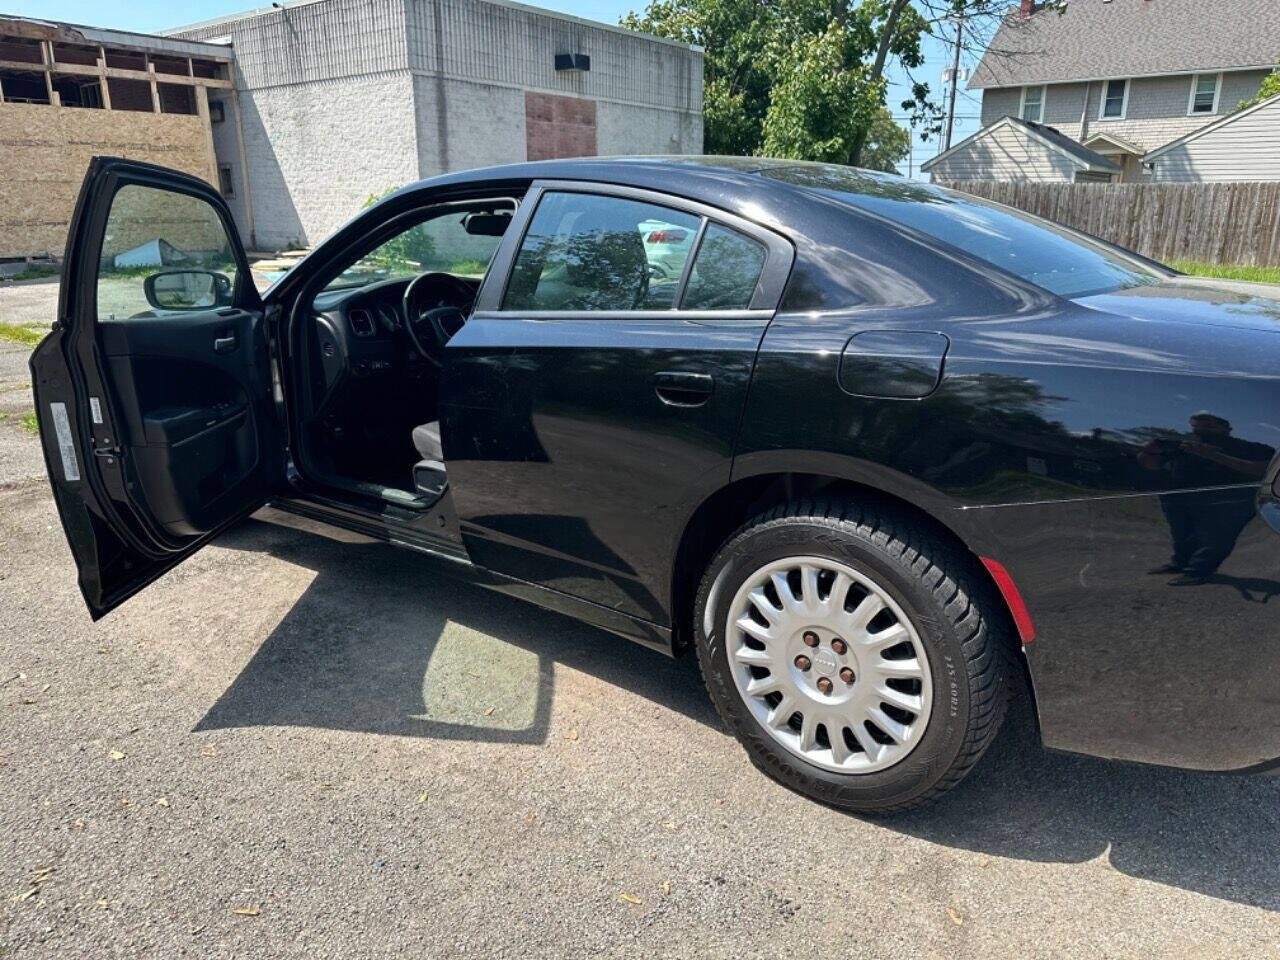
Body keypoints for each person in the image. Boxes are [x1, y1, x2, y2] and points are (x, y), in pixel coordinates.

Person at [1138, 412, 1273, 585]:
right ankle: (1180, 563)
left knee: (1216, 537)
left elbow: (1262, 471)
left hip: (1226, 499)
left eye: (1208, 425)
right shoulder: (1181, 445)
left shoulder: (1250, 447)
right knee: (1182, 533)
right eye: (1196, 426)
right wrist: (1148, 453)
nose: (1201, 429)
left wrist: (1213, 455)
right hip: (1177, 496)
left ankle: (1199, 571)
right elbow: (1152, 466)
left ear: (1227, 429)